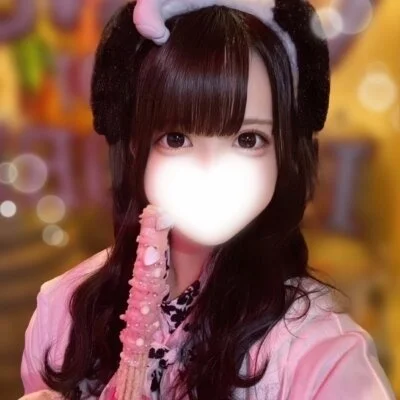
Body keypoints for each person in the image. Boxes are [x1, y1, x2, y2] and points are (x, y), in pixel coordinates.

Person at [20, 1, 396, 399]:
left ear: (283, 153)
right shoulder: (63, 311)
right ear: (134, 145)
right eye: (176, 138)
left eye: (248, 139)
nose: (211, 171)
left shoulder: (321, 355)